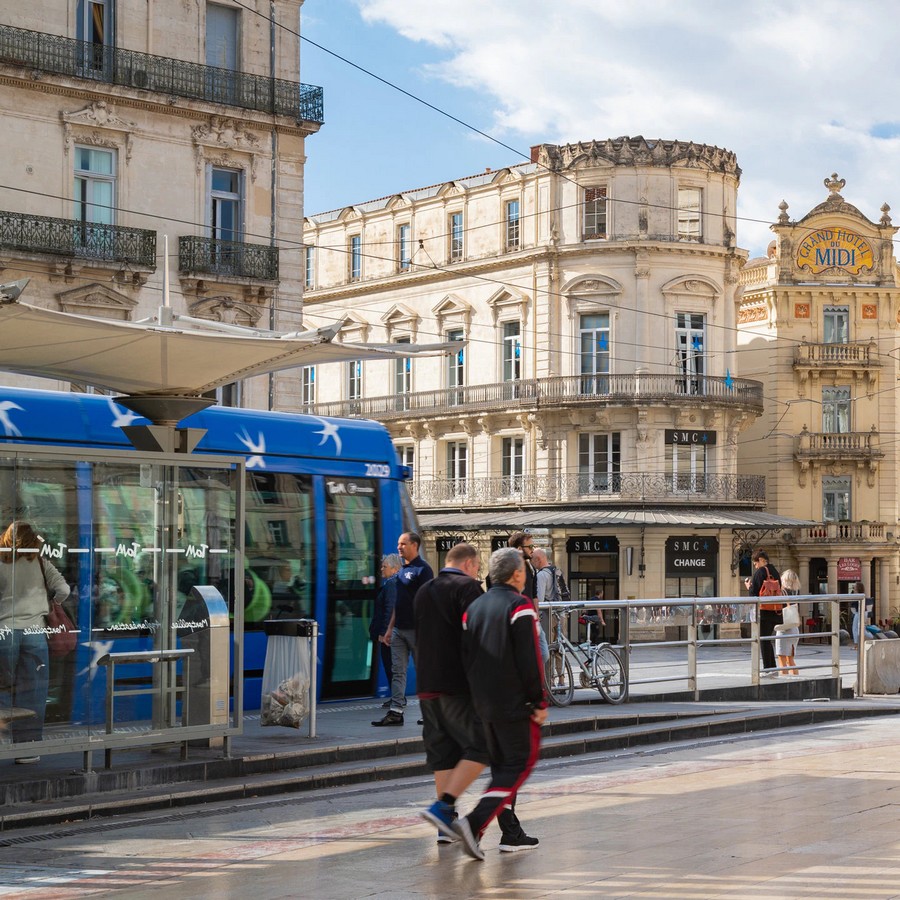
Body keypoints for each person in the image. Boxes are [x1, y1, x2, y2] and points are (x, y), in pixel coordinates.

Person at [416, 542, 538, 851]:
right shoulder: (469, 590)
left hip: (427, 685)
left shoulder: (424, 589)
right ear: (470, 565)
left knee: (443, 753)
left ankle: (446, 825)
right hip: (462, 687)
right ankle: (476, 821)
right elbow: (480, 640)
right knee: (492, 753)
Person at [451, 547, 548, 861]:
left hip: (483, 704)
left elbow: (465, 658)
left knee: (502, 769)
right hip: (514, 703)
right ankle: (474, 822)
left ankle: (504, 832)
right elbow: (530, 659)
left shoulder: (474, 608)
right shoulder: (519, 607)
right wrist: (538, 700)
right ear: (517, 574)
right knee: (516, 766)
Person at [0, 521, 70, 762]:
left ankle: (1, 741)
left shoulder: (0, 562)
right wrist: (52, 603)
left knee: (2, 688)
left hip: (4, 632)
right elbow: (64, 589)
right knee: (33, 690)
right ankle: (27, 749)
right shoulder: (41, 562)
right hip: (34, 632)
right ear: (33, 539)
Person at [372, 532, 433, 726]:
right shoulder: (401, 571)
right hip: (398, 629)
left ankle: (428, 713)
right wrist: (390, 629)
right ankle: (396, 712)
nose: (399, 547)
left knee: (423, 672)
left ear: (414, 545)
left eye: (403, 544)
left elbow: (427, 602)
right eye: (398, 544)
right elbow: (398, 604)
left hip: (417, 630)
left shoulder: (423, 570)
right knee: (397, 671)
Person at [370, 554, 400, 707]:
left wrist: (384, 633)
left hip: (389, 635)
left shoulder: (392, 584)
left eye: (384, 567)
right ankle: (396, 698)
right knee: (391, 666)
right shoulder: (392, 583)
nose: (381, 569)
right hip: (390, 633)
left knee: (391, 667)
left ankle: (397, 699)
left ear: (394, 569)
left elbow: (390, 609)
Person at [746, 549, 782, 673]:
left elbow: (753, 594)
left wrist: (748, 587)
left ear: (761, 560)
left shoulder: (760, 572)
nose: (755, 566)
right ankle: (772, 667)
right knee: (767, 640)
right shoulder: (775, 572)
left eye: (755, 563)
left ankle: (769, 668)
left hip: (764, 611)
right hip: (775, 611)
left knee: (763, 640)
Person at [775, 569, 801, 675]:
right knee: (790, 660)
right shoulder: (795, 592)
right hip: (794, 628)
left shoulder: (782, 592)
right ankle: (795, 681)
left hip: (784, 628)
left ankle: (784, 682)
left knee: (782, 660)